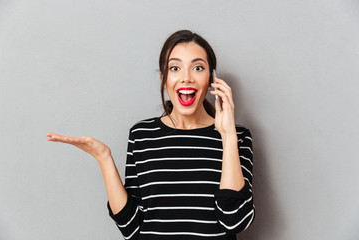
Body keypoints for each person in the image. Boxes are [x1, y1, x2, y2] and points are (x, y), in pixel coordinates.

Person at [47, 30, 255, 240]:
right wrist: (104, 158)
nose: (186, 78)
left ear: (211, 78)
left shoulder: (237, 137)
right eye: (175, 68)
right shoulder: (141, 136)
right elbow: (132, 227)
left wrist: (228, 136)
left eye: (198, 68)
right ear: (164, 79)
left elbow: (235, 220)